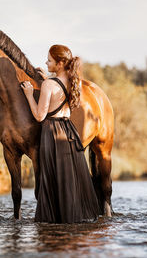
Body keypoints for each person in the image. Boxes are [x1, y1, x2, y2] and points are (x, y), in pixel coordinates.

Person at [21, 44, 100, 223]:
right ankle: (75, 218)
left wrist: (28, 94)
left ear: (60, 63)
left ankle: (53, 220)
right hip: (69, 131)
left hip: (52, 132)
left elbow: (40, 116)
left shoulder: (49, 84)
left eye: (49, 60)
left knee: (52, 176)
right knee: (69, 176)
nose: (46, 63)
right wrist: (46, 78)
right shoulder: (75, 82)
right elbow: (59, 90)